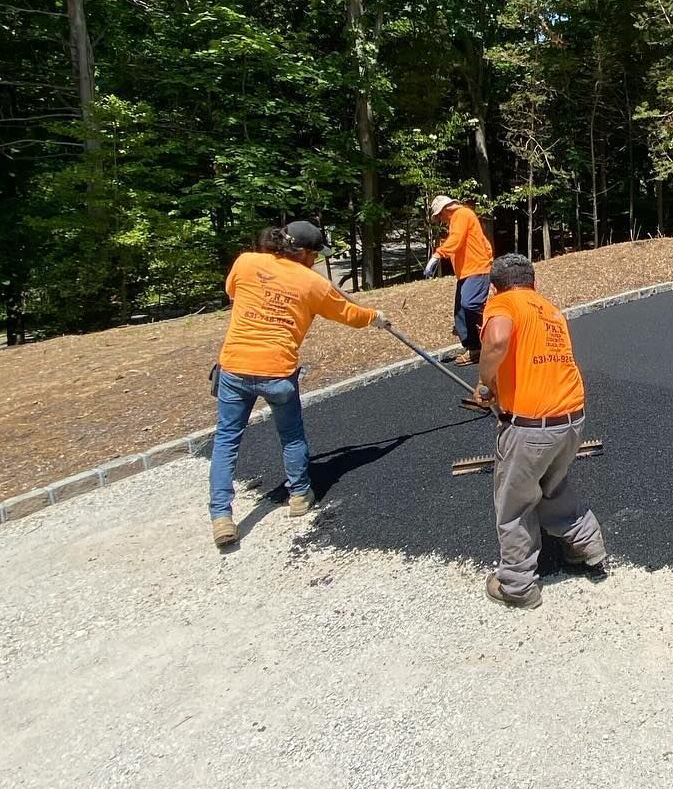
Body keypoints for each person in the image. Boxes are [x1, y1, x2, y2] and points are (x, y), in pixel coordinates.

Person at [209, 220, 387, 550]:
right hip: (277, 371)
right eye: (315, 256)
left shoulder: (247, 262)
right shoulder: (312, 284)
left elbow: (232, 291)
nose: (316, 262)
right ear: (303, 252)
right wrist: (374, 317)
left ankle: (221, 516)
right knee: (290, 434)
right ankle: (300, 495)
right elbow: (348, 314)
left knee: (227, 439)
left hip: (234, 367)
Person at [472, 252, 608, 609]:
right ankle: (587, 548)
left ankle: (518, 587)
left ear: (493, 287)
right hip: (571, 418)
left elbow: (498, 340)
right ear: (533, 282)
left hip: (532, 427)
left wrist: (486, 385)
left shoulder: (503, 304)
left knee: (514, 505)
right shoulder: (548, 309)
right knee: (553, 487)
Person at [424, 194, 493, 365]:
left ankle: (494, 335)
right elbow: (482, 241)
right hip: (467, 272)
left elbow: (456, 239)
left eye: (439, 216)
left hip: (476, 269)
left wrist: (436, 256)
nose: (440, 219)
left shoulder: (461, 215)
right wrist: (489, 256)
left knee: (470, 304)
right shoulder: (463, 217)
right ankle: (474, 349)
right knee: (460, 312)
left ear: (444, 210)